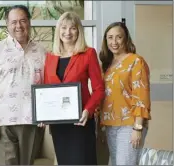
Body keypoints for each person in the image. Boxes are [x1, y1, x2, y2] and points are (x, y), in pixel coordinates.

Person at [0, 5, 46, 165]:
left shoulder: (42, 52)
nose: (19, 26)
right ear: (7, 25)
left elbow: (48, 85)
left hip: (32, 121)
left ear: (29, 22)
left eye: (23, 21)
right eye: (14, 22)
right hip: (2, 122)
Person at [43, 11, 105, 165]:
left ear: (79, 31)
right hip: (59, 125)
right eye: (63, 28)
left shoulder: (88, 54)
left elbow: (99, 89)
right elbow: (45, 90)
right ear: (58, 30)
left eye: (73, 28)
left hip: (81, 121)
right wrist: (43, 113)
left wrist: (88, 110)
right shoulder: (50, 57)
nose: (67, 32)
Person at [99, 22, 151, 165]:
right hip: (110, 125)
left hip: (130, 125)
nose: (114, 42)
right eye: (110, 38)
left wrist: (137, 128)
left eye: (118, 37)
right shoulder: (107, 64)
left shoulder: (136, 61)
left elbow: (141, 96)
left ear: (126, 39)